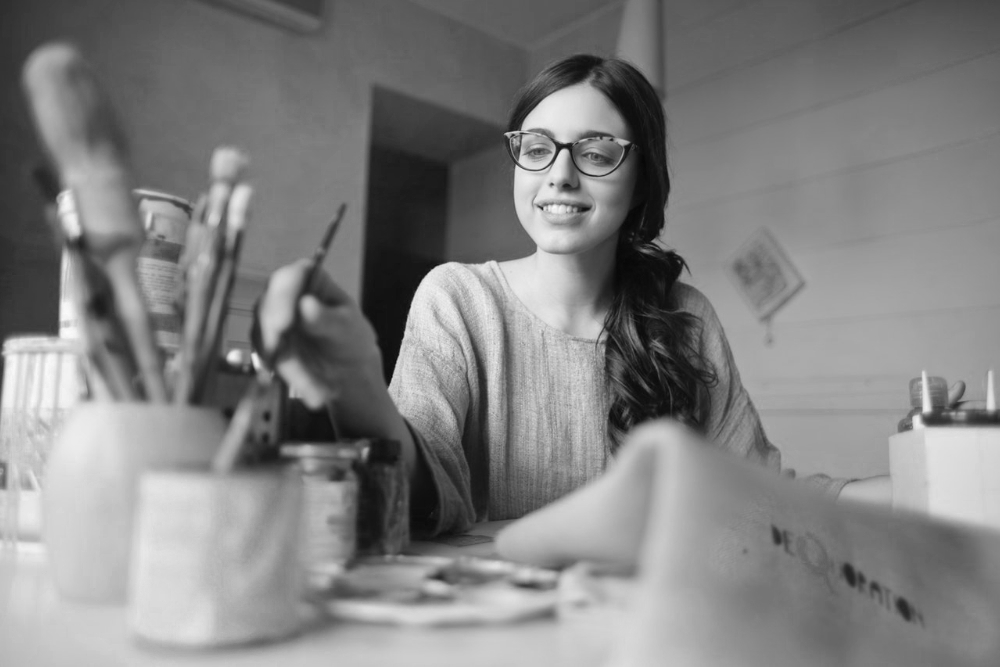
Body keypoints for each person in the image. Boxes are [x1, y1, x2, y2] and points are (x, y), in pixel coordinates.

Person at [256, 54, 887, 538]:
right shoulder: (457, 300)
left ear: (641, 182)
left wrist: (924, 474)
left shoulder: (685, 317)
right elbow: (421, 492)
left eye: (597, 153)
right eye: (537, 149)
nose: (559, 174)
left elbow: (762, 497)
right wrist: (358, 381)